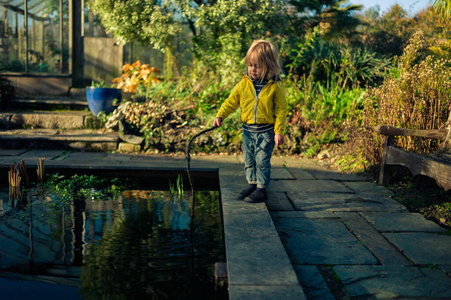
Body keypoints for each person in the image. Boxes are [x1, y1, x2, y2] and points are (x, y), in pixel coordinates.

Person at [213, 40, 287, 203]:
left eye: (257, 66)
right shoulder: (243, 85)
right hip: (247, 131)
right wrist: (220, 116)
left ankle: (261, 189)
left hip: (265, 132)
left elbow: (281, 110)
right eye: (250, 65)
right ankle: (252, 184)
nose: (253, 69)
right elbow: (231, 101)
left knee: (261, 161)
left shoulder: (275, 87)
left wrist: (279, 131)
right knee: (249, 159)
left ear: (268, 66)